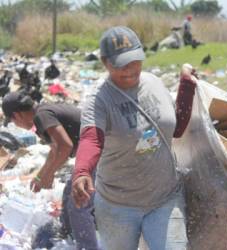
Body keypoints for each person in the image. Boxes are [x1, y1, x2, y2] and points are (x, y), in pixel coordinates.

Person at [72, 26, 198, 250]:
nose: (130, 69)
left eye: (134, 61)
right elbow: (91, 139)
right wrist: (82, 171)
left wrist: (186, 86)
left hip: (165, 197)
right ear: (104, 62)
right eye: (120, 64)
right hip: (118, 206)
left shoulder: (154, 83)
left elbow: (174, 129)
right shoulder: (99, 99)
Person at [1, 92, 100, 250]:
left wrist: (50, 174)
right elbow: (55, 151)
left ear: (17, 115)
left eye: (12, 121)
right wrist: (41, 177)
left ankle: (87, 247)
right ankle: (66, 237)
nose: (15, 125)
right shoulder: (42, 116)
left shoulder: (42, 115)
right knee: (68, 195)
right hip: (91, 155)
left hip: (103, 153)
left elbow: (65, 146)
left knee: (78, 205)